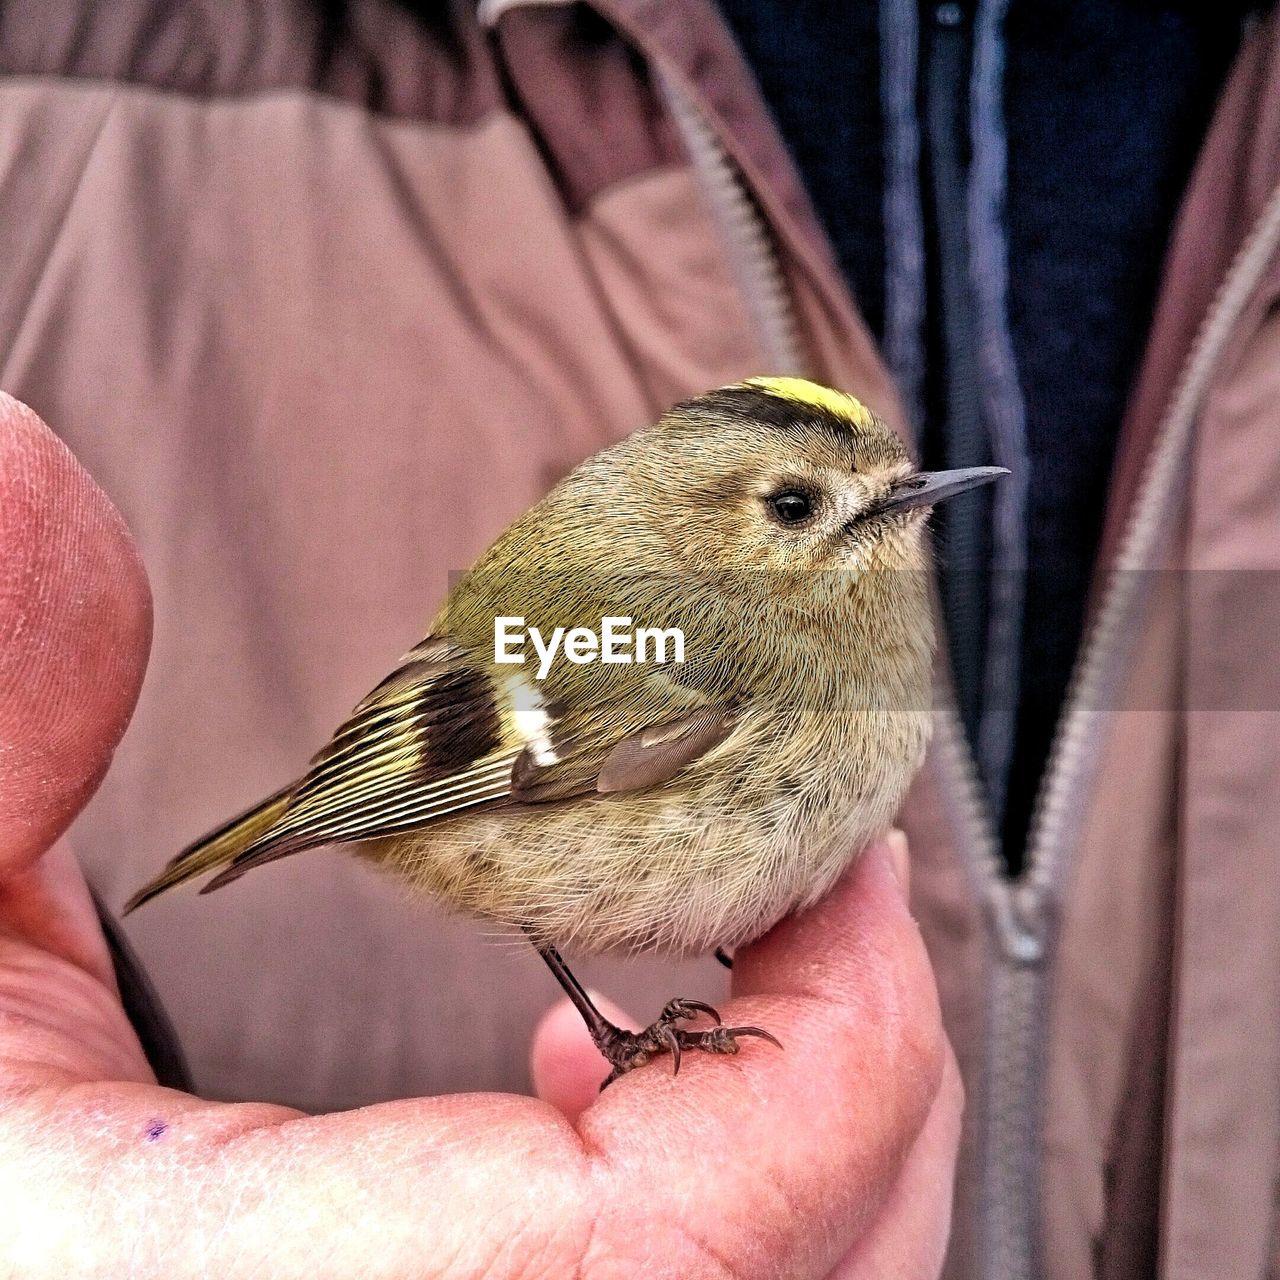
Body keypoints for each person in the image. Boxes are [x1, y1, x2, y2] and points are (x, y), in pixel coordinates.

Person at [0, 1, 1277, 1276]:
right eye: (796, 507)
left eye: (878, 486)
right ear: (708, 530)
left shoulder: (847, 620)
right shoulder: (690, 642)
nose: (886, 511)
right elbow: (460, 728)